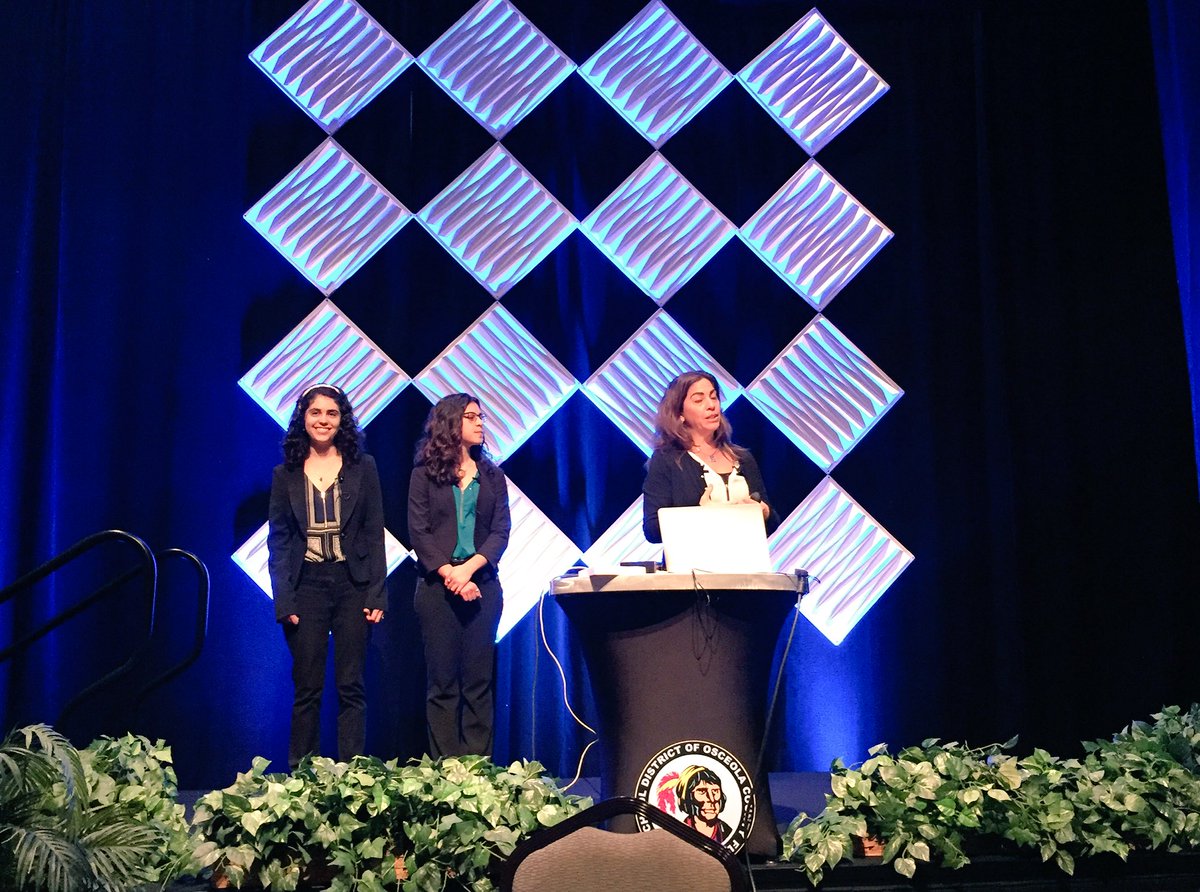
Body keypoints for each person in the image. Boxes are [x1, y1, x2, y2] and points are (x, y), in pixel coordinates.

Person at [267, 383, 387, 769]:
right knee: (307, 688)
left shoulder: (362, 467)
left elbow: (374, 531)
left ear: (342, 420)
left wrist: (376, 595)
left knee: (351, 685)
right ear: (303, 418)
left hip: (352, 585)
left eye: (331, 413)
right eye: (315, 412)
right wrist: (284, 599)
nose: (323, 420)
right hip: (307, 589)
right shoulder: (284, 474)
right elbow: (279, 542)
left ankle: (354, 776)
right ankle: (303, 776)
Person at [408, 393, 510, 758]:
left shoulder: (493, 477)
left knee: (478, 684)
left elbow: (500, 532)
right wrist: (451, 574)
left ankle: (478, 772)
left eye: (481, 416)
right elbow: (419, 532)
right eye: (471, 417)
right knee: (442, 685)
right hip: (437, 589)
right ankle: (445, 772)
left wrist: (468, 570)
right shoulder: (424, 475)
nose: (480, 422)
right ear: (451, 423)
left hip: (482, 587)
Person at [642, 370, 777, 543]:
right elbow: (652, 530)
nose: (711, 405)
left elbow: (771, 524)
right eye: (699, 400)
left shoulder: (742, 458)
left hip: (745, 565)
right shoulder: (666, 459)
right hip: (691, 567)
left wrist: (764, 513)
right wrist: (701, 516)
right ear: (680, 413)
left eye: (713, 397)